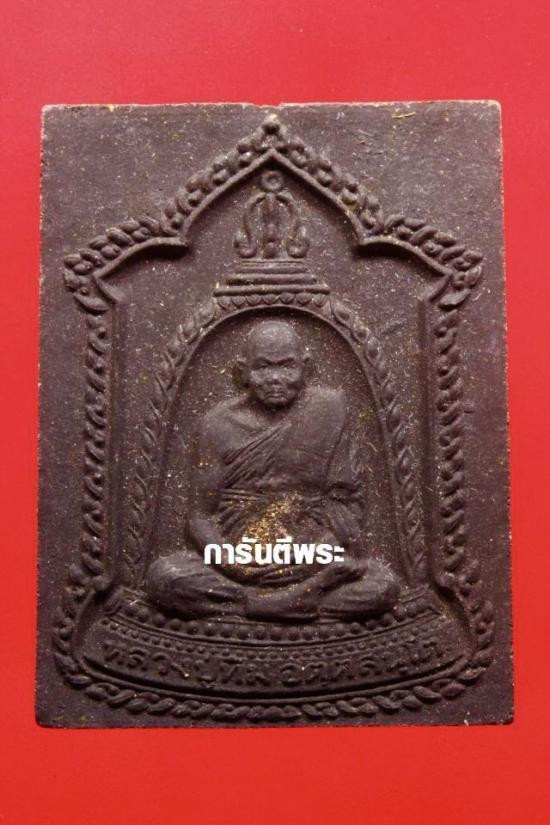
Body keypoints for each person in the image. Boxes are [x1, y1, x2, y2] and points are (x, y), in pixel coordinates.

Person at [147, 320, 399, 620]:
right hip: (240, 557)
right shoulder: (217, 424)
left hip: (312, 555)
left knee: (383, 587)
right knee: (165, 578)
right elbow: (200, 517)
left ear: (306, 368)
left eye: (287, 366)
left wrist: (313, 558)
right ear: (243, 372)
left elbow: (346, 504)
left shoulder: (330, 410)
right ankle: (278, 601)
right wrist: (232, 563)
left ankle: (267, 601)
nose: (276, 378)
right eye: (263, 367)